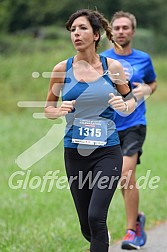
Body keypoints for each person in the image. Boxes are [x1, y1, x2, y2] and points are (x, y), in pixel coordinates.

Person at [44, 9, 136, 252]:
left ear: (96, 35)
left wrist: (123, 104)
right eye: (73, 30)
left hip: (107, 151)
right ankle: (99, 237)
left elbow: (131, 99)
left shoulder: (112, 67)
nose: (76, 34)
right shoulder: (61, 69)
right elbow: (48, 109)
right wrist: (59, 109)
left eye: (82, 28)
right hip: (75, 153)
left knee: (96, 216)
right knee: (87, 224)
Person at [101, 11, 157, 250]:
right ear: (110, 31)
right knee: (123, 178)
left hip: (134, 123)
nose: (121, 31)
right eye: (117, 28)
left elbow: (153, 82)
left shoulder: (143, 58)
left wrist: (147, 90)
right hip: (107, 126)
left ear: (133, 31)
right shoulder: (100, 58)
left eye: (126, 27)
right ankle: (138, 219)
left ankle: (131, 231)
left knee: (125, 174)